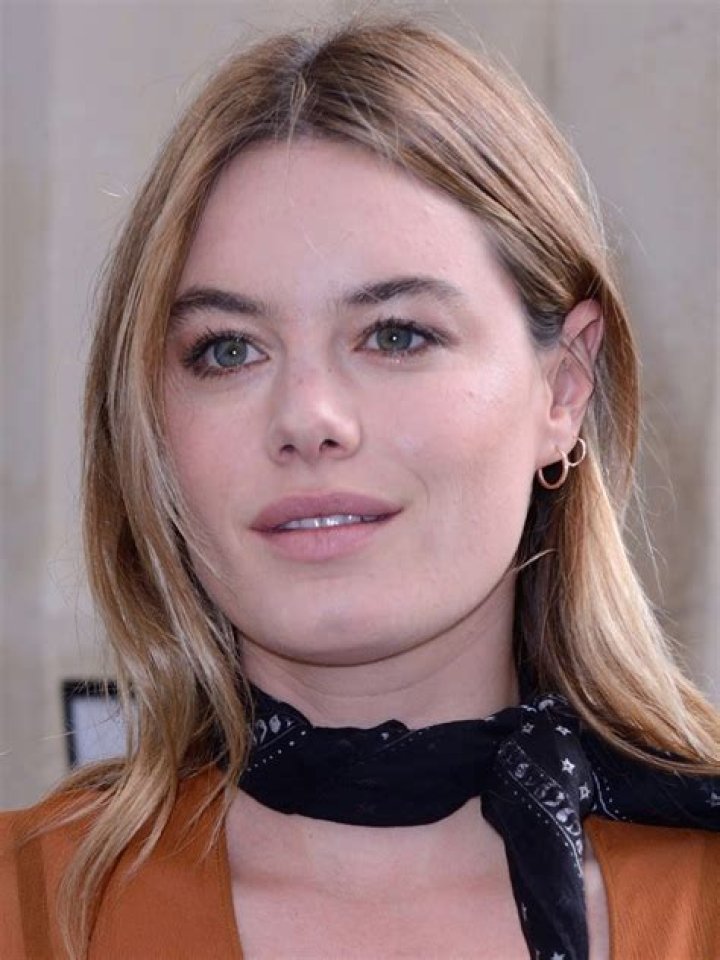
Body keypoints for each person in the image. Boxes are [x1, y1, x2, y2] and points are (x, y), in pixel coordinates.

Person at [1, 15, 718, 960]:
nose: (308, 417)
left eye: (397, 335)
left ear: (564, 387)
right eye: (229, 350)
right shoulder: (26, 908)